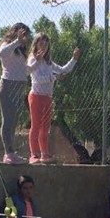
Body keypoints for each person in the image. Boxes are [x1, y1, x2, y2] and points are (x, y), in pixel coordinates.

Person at [26, 33, 81, 163]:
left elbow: (63, 70)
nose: (43, 47)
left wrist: (74, 59)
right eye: (41, 43)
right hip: (36, 96)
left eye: (46, 44)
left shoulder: (48, 62)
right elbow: (38, 79)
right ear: (35, 45)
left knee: (45, 127)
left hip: (48, 97)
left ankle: (44, 153)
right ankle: (34, 154)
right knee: (36, 126)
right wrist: (55, 77)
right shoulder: (33, 59)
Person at [0, 23, 32, 165]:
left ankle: (11, 153)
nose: (26, 38)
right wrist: (16, 41)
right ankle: (8, 153)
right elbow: (1, 54)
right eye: (23, 34)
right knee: (8, 120)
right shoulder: (7, 45)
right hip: (7, 86)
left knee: (14, 122)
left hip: (19, 87)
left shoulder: (21, 51)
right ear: (15, 32)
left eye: (27, 35)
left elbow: (25, 70)